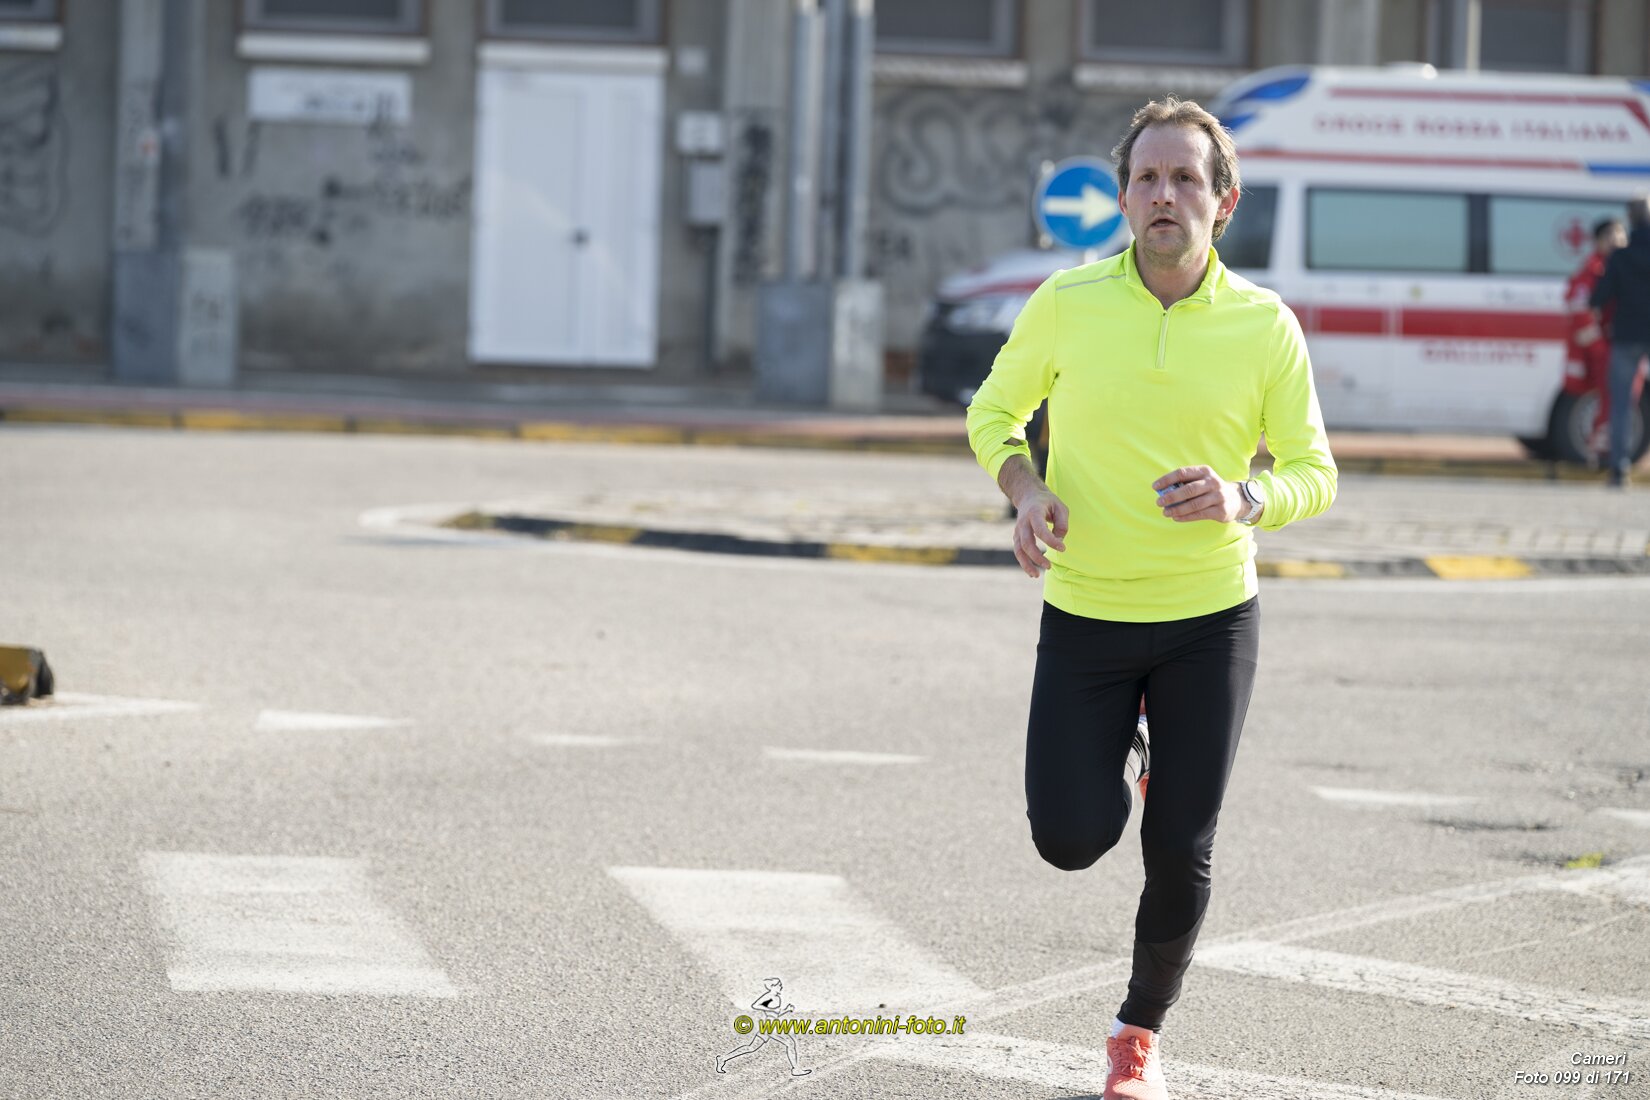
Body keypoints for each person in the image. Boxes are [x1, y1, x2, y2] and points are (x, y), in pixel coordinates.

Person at [965, 97, 1336, 1100]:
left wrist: (1246, 496)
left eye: (1185, 178)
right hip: (1087, 612)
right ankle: (1130, 749)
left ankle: (1137, 1034)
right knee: (1069, 837)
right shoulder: (1068, 301)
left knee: (1179, 843)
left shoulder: (1264, 324)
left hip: (1210, 619)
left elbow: (1314, 471)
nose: (1164, 194)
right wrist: (1026, 489)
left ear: (1225, 201)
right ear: (1124, 199)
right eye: (1147, 178)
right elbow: (994, 411)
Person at [1589, 195, 1650, 488]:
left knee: (1621, 404)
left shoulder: (1620, 256)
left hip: (1626, 335)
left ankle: (1619, 469)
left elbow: (1598, 297)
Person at [1563, 217, 1626, 466]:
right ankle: (1601, 451)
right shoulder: (1594, 268)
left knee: (1616, 398)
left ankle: (1605, 450)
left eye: (1621, 235)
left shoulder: (1618, 266)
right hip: (1604, 347)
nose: (1617, 241)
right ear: (1598, 241)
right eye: (1611, 236)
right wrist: (1598, 347)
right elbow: (1579, 307)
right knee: (1610, 397)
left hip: (1616, 343)